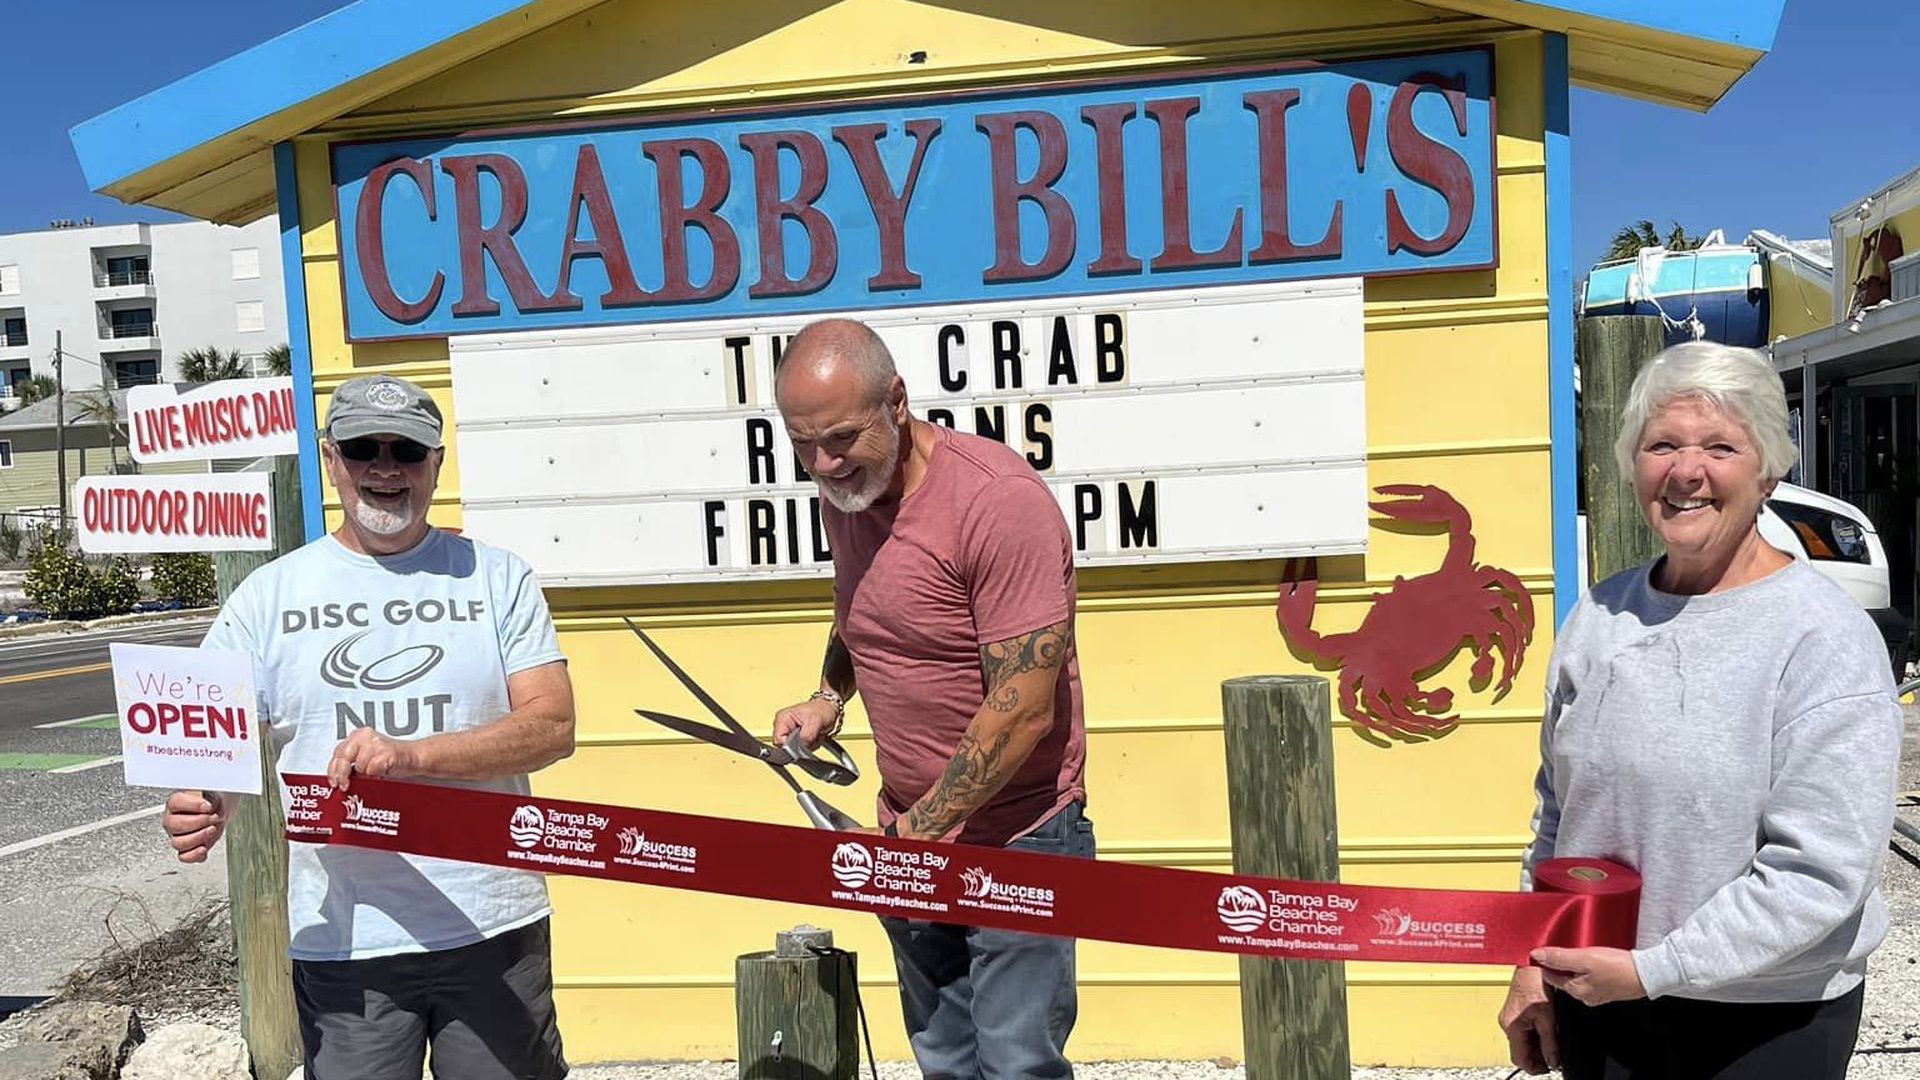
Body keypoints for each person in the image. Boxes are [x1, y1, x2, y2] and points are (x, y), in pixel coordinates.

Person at [1498, 342, 1902, 1079]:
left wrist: (1658, 968)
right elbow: (1559, 810)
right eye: (1662, 446)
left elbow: (1823, 869)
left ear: (1769, 470)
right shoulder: (1600, 615)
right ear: (1633, 467)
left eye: (1721, 445)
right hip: (1601, 1000)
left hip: (1765, 1018)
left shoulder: (1823, 638)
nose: (1687, 471)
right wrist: (1533, 957)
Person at [161, 374, 575, 1080]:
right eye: (362, 448)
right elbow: (214, 743)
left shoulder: (496, 578)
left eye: (407, 450)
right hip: (346, 942)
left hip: (492, 922)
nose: (385, 468)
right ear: (331, 459)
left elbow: (552, 726)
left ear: (436, 464)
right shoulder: (269, 595)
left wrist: (414, 757)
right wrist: (204, 804)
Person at [771, 319, 1094, 1079]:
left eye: (843, 438)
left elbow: (1023, 705)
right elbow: (864, 607)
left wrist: (923, 830)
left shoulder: (997, 501)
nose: (824, 463)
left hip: (1020, 833)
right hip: (908, 823)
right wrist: (828, 696)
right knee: (944, 1059)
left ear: (899, 402)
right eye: (804, 445)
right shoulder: (849, 492)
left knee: (1017, 1062)